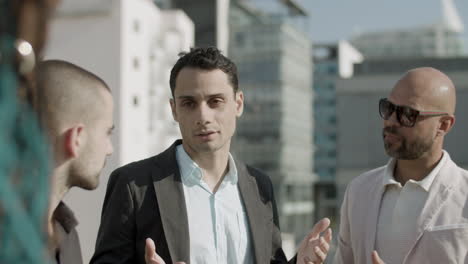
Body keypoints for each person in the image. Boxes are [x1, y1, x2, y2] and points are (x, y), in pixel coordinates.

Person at [91, 47, 332, 264]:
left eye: (215, 101)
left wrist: (300, 262)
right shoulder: (133, 185)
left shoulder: (260, 186)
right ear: (174, 109)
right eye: (189, 103)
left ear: (238, 104)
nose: (203, 116)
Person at [333, 67, 468, 264]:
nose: (390, 121)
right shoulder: (358, 190)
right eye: (388, 108)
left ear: (443, 125)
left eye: (407, 114)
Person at [36, 60, 114, 264]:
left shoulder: (66, 232)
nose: (109, 149)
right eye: (107, 133)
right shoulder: (10, 231)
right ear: (77, 138)